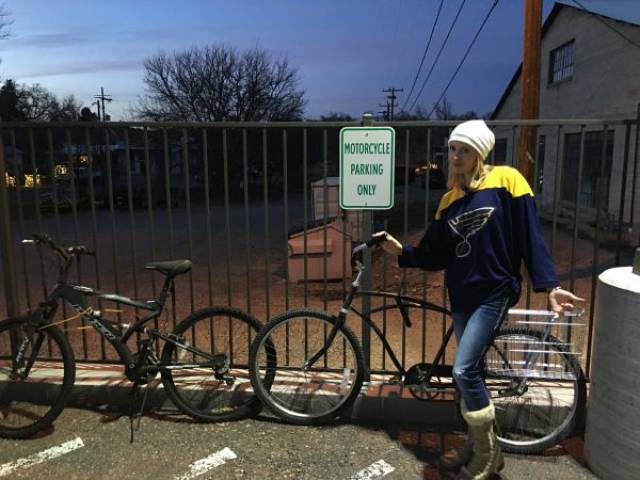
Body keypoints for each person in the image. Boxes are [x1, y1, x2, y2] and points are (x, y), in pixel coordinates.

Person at [374, 119, 584, 480]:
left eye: (465, 150)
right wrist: (401, 252)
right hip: (463, 296)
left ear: (479, 154)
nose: (456, 156)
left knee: (463, 370)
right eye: (453, 149)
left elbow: (529, 235)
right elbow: (434, 254)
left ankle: (489, 456)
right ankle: (473, 444)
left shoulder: (506, 180)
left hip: (494, 291)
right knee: (471, 375)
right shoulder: (449, 200)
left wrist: (549, 285)